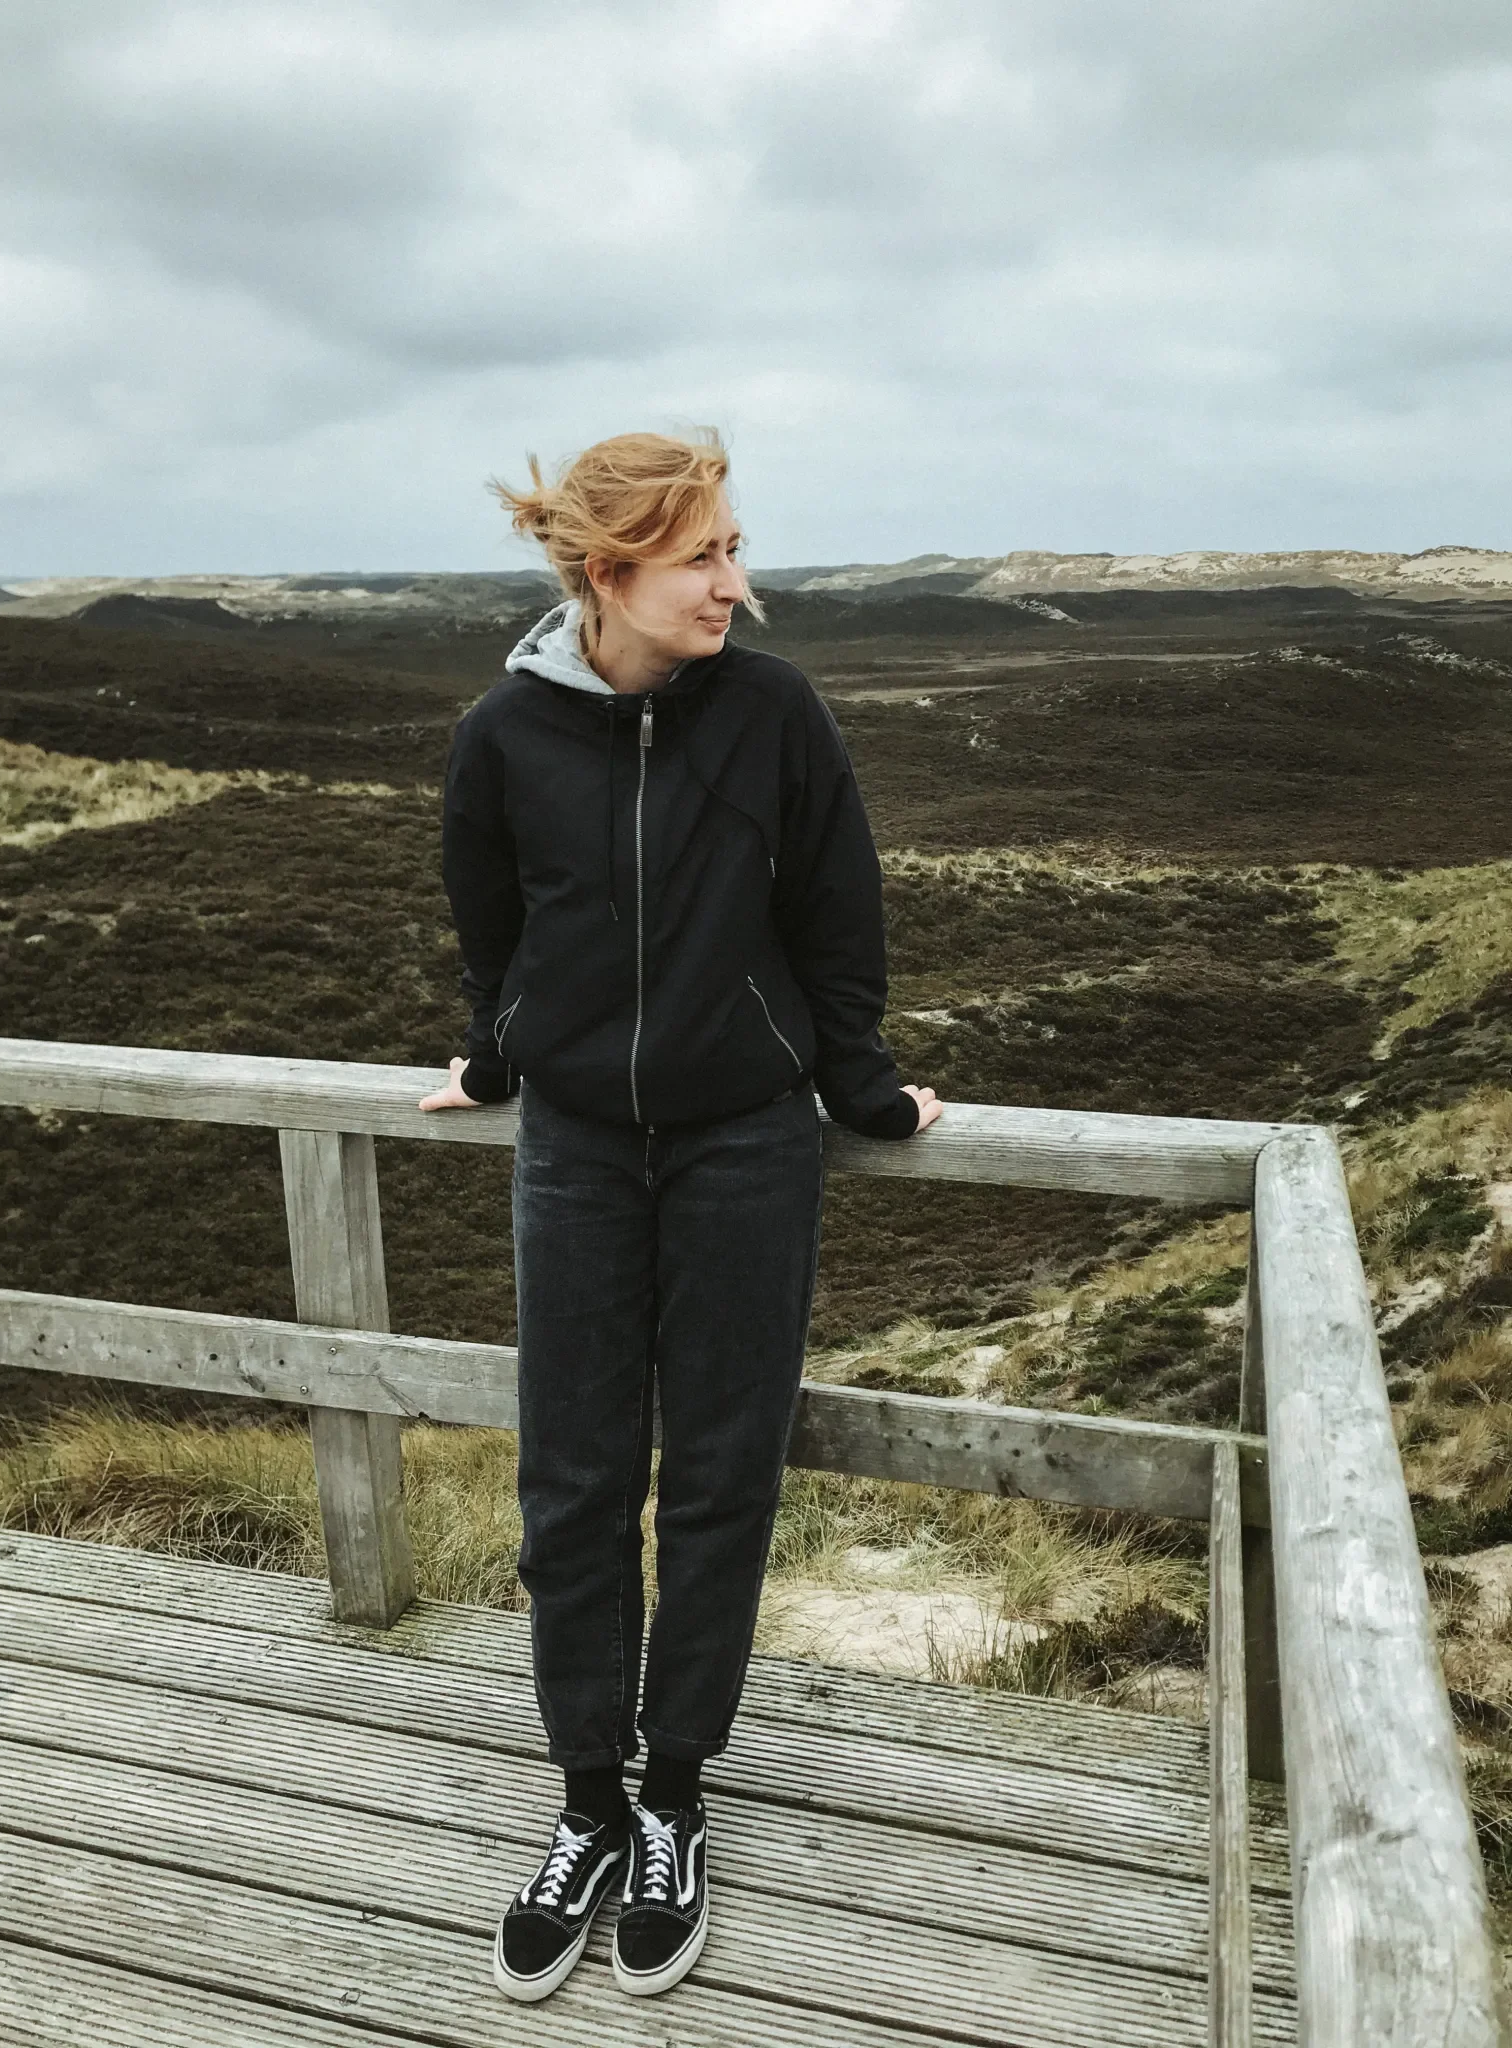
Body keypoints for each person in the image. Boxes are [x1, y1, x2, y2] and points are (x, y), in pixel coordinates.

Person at [420, 429, 943, 2003]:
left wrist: (858, 1083)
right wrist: (500, 1052)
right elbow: (493, 918)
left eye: (733, 545)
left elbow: (835, 910)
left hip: (745, 1145)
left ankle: (673, 1802)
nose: (738, 582)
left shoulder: (775, 713)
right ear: (608, 574)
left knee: (719, 1476)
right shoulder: (506, 734)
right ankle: (583, 1800)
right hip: (576, 1144)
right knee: (573, 1481)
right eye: (704, 556)